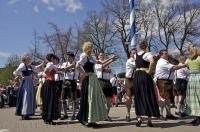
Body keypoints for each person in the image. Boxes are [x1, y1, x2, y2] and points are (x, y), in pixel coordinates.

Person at [76, 42, 108, 127]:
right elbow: (77, 66)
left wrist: (111, 59)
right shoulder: (84, 56)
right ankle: (84, 118)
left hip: (93, 79)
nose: (91, 49)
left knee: (93, 98)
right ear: (87, 48)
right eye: (90, 48)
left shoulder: (91, 57)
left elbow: (100, 63)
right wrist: (84, 73)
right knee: (89, 98)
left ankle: (92, 120)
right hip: (88, 79)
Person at [133, 41, 160, 127]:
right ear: (146, 46)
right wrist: (150, 71)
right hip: (145, 76)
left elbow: (136, 64)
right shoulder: (148, 54)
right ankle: (149, 120)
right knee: (148, 95)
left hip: (137, 76)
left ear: (139, 47)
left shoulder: (135, 55)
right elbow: (152, 62)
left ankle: (139, 118)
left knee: (138, 96)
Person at [155, 49, 186, 120]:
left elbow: (172, 69)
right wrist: (184, 65)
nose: (167, 55)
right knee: (163, 98)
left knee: (167, 99)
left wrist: (180, 65)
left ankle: (168, 114)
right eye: (165, 54)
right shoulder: (162, 62)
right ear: (161, 55)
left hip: (166, 82)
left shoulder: (165, 61)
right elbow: (174, 67)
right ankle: (160, 114)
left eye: (167, 53)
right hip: (163, 82)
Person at [13, 55, 45, 120]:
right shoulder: (22, 65)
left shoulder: (29, 66)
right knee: (26, 97)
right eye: (28, 59)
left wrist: (43, 63)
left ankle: (27, 113)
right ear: (24, 60)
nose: (30, 59)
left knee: (29, 97)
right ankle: (24, 113)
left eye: (29, 59)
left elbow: (36, 67)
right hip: (25, 83)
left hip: (30, 82)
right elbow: (15, 72)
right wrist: (21, 77)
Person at [95, 50, 117, 121]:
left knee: (109, 100)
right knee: (100, 100)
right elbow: (101, 67)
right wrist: (111, 60)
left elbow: (111, 74)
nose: (102, 56)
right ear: (98, 56)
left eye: (103, 55)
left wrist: (112, 80)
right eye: (101, 55)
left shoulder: (108, 65)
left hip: (108, 82)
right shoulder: (97, 63)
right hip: (100, 81)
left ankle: (106, 115)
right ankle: (100, 115)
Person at [41, 54, 60, 124]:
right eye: (55, 59)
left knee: (46, 101)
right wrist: (48, 75)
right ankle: (49, 119)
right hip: (50, 83)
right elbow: (46, 71)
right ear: (52, 58)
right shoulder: (51, 64)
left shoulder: (50, 64)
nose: (55, 60)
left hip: (47, 83)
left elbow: (45, 72)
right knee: (51, 100)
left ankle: (46, 118)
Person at [61, 51, 79, 120]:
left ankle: (74, 115)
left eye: (69, 57)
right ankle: (65, 114)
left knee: (74, 99)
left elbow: (80, 72)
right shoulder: (64, 64)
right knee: (63, 99)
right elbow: (62, 70)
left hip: (73, 82)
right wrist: (69, 68)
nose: (67, 58)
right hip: (65, 81)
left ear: (73, 57)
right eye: (67, 57)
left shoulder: (77, 64)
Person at [185, 44, 200, 126]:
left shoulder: (189, 59)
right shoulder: (194, 59)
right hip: (195, 78)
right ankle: (197, 117)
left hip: (194, 79)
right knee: (195, 98)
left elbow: (183, 65)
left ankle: (198, 118)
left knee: (196, 98)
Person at [124, 48, 136, 122]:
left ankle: (138, 114)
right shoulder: (130, 61)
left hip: (135, 80)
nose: (135, 54)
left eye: (135, 53)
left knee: (137, 97)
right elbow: (137, 66)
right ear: (130, 54)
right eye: (133, 53)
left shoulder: (136, 60)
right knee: (128, 97)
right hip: (129, 80)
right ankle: (128, 114)